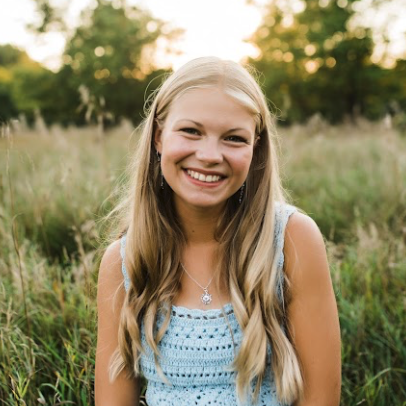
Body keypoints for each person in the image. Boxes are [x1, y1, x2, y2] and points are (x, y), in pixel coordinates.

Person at [95, 56, 341, 406]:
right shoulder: (123, 262)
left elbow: (322, 399)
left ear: (255, 149)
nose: (210, 155)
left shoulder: (291, 240)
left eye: (234, 138)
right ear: (158, 137)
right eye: (191, 131)